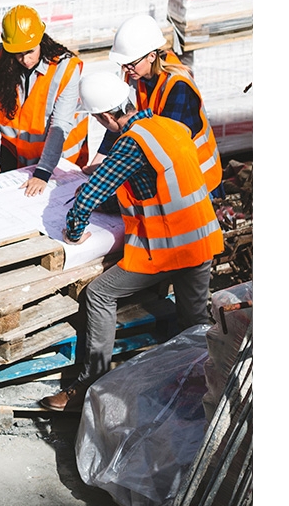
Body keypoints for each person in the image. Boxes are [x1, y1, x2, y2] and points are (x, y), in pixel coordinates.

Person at [39, 72, 222, 412]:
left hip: (167, 250)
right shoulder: (167, 127)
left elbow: (89, 197)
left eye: (97, 119)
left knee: (100, 293)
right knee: (194, 323)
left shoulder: (130, 145)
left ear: (106, 117)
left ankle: (89, 384)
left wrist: (74, 232)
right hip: (201, 242)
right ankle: (203, 391)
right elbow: (151, 185)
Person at [94, 14, 221, 194]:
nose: (126, 69)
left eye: (130, 64)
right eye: (123, 64)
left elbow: (163, 144)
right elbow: (120, 118)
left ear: (152, 56)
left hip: (197, 177)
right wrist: (100, 160)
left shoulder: (178, 86)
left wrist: (111, 175)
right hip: (169, 173)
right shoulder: (135, 77)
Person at [0, 4, 90, 197]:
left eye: (29, 51)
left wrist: (43, 171)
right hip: (14, 151)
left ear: (41, 41)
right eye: (18, 53)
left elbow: (59, 124)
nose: (25, 59)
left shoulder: (66, 68)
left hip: (58, 159)